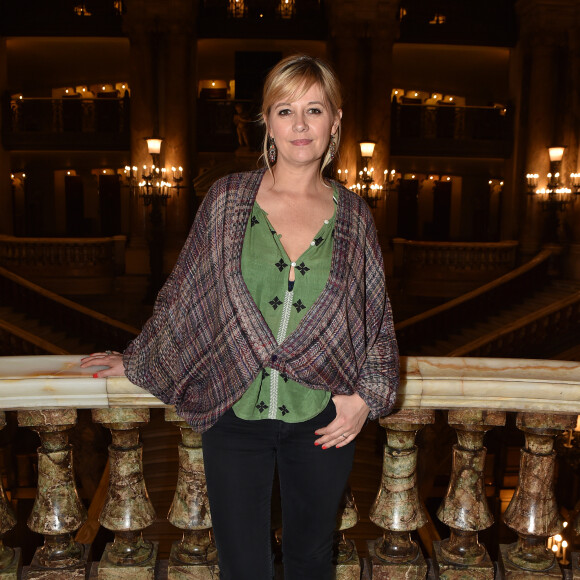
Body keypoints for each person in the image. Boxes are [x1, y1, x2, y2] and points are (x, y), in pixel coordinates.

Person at [81, 54, 399, 580]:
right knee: (242, 566)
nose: (300, 125)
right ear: (267, 123)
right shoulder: (227, 200)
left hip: (324, 418)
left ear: (335, 122)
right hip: (234, 414)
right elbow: (186, 295)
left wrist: (367, 397)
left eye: (314, 110)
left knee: (313, 558)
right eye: (285, 110)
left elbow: (376, 317)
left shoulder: (355, 215)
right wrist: (137, 359)